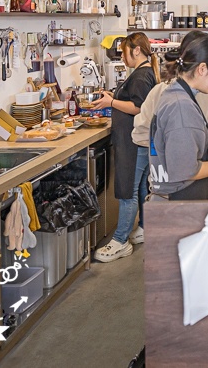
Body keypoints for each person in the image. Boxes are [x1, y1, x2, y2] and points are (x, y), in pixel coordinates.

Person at [91, 32, 159, 263]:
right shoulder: (145, 72)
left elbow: (138, 107)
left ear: (136, 50)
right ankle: (143, 227)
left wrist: (111, 101)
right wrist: (113, 97)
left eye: (123, 51)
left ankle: (120, 241)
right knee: (139, 187)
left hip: (133, 142)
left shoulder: (140, 75)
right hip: (136, 141)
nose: (121, 56)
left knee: (127, 190)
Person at [148, 32, 208, 200]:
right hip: (178, 202)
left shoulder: (177, 95)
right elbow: (185, 169)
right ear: (202, 69)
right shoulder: (181, 106)